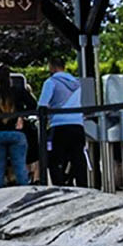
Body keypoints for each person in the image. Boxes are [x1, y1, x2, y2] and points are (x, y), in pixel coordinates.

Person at [39, 58, 87, 187]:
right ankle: (83, 185)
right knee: (78, 157)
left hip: (59, 125)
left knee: (55, 160)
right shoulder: (77, 83)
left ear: (52, 67)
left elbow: (42, 105)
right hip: (77, 124)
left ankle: (59, 187)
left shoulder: (51, 82)